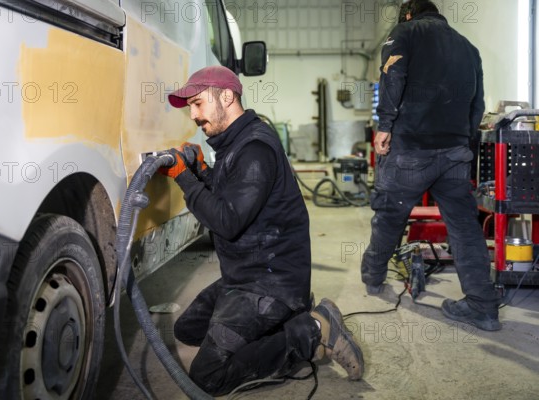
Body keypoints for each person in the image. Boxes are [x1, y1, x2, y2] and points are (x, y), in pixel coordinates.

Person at [158, 65, 364, 395]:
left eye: (198, 104)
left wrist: (185, 177)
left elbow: (227, 220)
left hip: (270, 282)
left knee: (208, 375)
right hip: (244, 275)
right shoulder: (234, 145)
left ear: (226, 96)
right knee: (188, 330)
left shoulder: (255, 148)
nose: (193, 115)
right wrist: (200, 171)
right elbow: (232, 194)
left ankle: (311, 330)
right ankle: (287, 321)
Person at [361, 0, 501, 331]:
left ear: (409, 14)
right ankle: (483, 307)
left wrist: (384, 124)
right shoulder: (468, 48)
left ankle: (372, 277)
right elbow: (477, 103)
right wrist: (463, 143)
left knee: (390, 216)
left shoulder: (404, 33)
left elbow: (392, 76)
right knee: (465, 227)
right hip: (453, 153)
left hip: (410, 149)